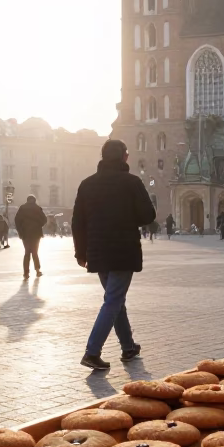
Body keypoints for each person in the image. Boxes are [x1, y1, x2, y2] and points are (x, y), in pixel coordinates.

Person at [72, 138, 156, 371]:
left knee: (115, 299)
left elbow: (77, 221)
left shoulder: (87, 184)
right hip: (122, 249)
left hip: (97, 252)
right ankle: (92, 352)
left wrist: (80, 252)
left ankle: (128, 347)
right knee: (113, 300)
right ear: (124, 157)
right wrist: (129, 217)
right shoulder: (131, 182)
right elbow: (148, 215)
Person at [14, 194, 47, 279]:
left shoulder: (22, 208)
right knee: (35, 252)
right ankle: (37, 270)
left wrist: (20, 231)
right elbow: (44, 220)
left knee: (27, 253)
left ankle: (26, 273)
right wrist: (39, 225)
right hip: (36, 233)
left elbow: (17, 221)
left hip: (25, 234)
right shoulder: (37, 208)